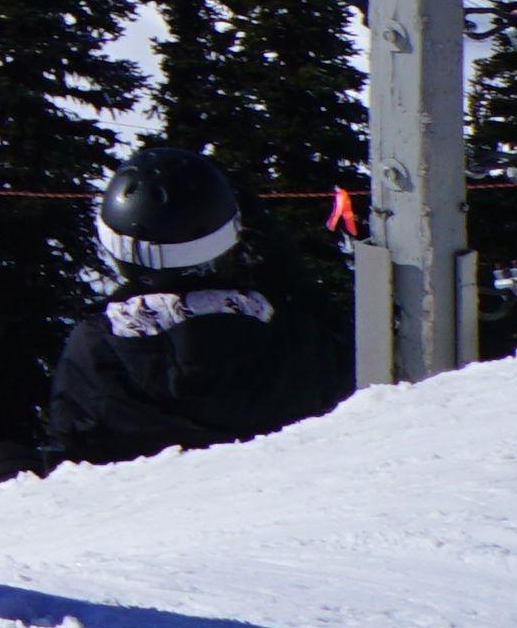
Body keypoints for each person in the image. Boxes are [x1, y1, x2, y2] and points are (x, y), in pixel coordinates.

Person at [35, 138, 333, 464]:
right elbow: (337, 353)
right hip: (269, 490)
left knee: (0, 457)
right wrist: (277, 251)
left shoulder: (99, 345)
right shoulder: (282, 330)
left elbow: (70, 450)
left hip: (136, 502)